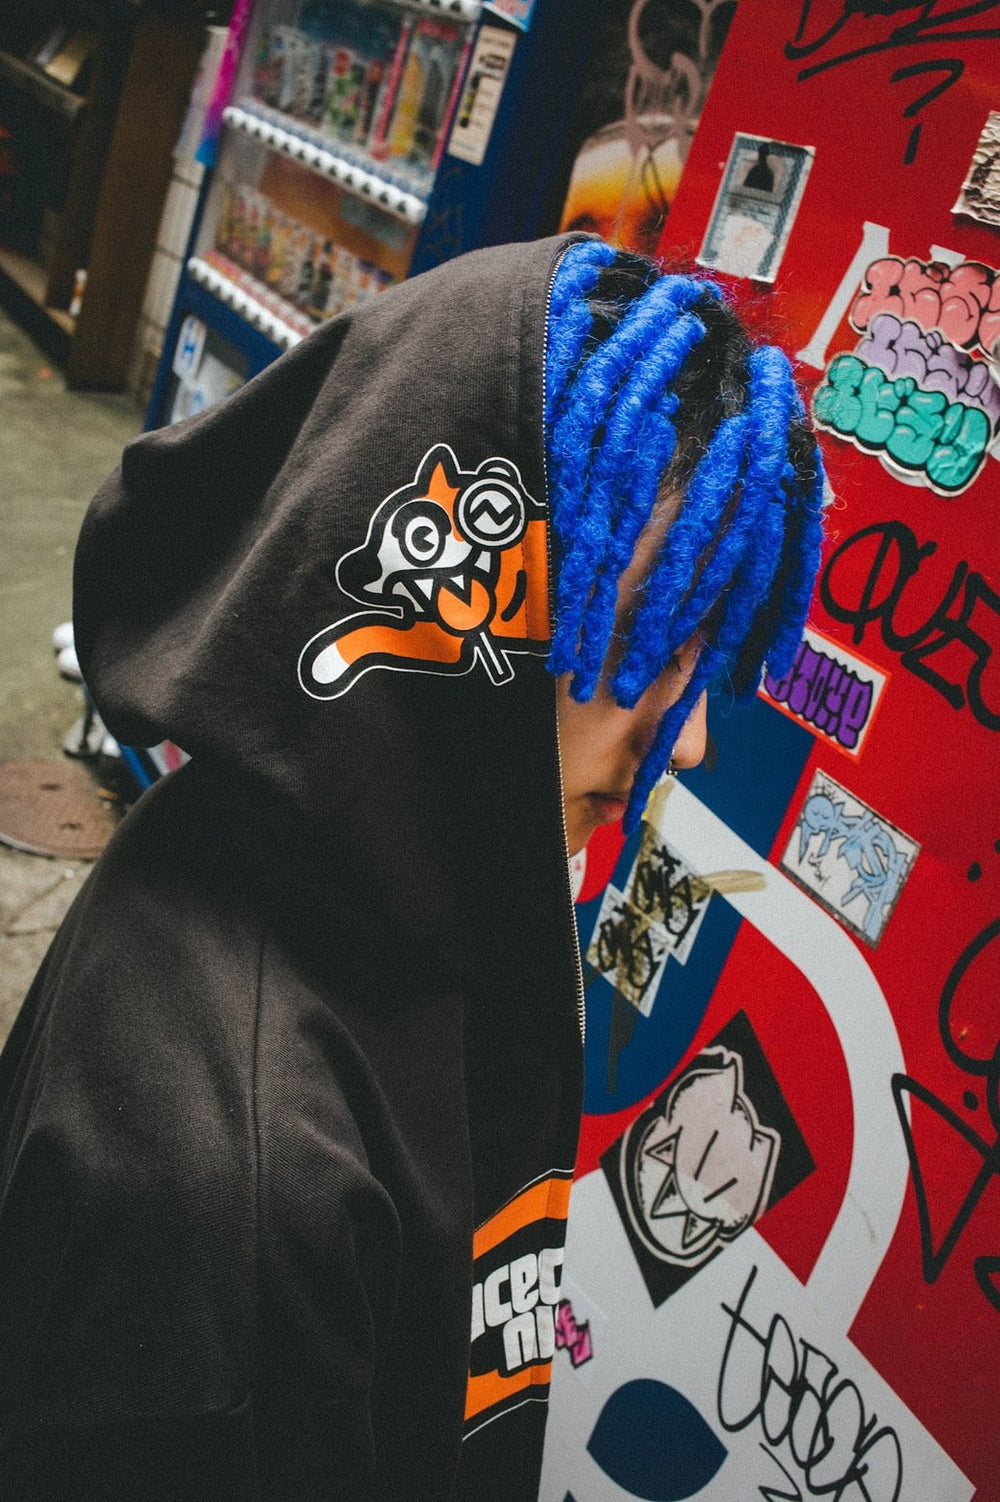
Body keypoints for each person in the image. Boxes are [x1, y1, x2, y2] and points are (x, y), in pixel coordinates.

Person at [0, 234, 825, 1500]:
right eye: (646, 645)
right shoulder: (234, 1197)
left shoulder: (375, 854)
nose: (693, 738)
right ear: (462, 608)